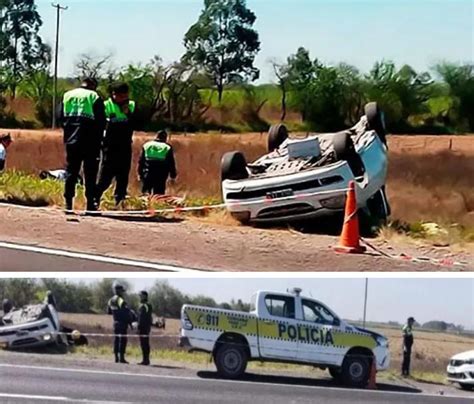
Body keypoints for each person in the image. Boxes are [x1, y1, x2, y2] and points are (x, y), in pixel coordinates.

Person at [59, 77, 106, 212]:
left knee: (71, 172)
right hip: (90, 142)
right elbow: (101, 121)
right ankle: (90, 205)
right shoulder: (93, 96)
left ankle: (68, 204)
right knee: (90, 174)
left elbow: (59, 116)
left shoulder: (67, 95)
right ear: (93, 86)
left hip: (71, 140)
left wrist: (69, 129)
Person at [96, 82, 138, 207]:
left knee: (123, 175)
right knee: (105, 176)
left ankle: (119, 201)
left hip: (125, 145)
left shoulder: (131, 106)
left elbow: (138, 123)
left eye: (124, 95)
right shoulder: (105, 106)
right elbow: (101, 125)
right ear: (113, 95)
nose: (122, 98)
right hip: (109, 146)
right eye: (119, 95)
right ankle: (95, 197)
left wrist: (128, 115)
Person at [138, 130, 177, 195]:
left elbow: (141, 161)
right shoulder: (167, 147)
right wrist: (173, 175)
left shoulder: (147, 145)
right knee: (159, 195)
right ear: (165, 138)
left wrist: (140, 173)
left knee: (145, 194)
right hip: (161, 174)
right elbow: (171, 163)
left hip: (148, 172)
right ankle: (157, 204)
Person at [107, 281, 132, 364]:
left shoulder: (110, 300)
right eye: (122, 291)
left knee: (116, 340)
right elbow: (126, 311)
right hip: (122, 323)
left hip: (115, 322)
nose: (123, 293)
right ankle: (122, 358)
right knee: (123, 340)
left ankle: (116, 358)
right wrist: (130, 322)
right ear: (119, 291)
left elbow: (109, 312)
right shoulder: (120, 300)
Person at [137, 290, 153, 366]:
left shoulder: (146, 305)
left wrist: (139, 326)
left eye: (141, 295)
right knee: (143, 344)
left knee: (145, 344)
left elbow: (144, 317)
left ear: (144, 296)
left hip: (144, 327)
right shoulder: (141, 305)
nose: (139, 297)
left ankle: (146, 360)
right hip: (143, 327)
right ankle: (145, 359)